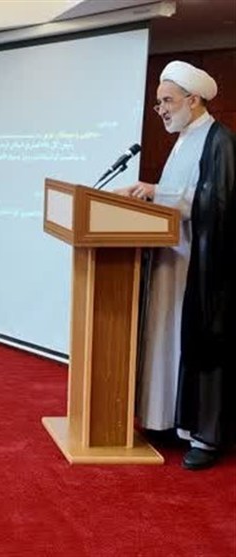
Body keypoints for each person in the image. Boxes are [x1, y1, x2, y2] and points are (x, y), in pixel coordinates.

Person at [118, 60, 235, 470]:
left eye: (167, 101)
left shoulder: (219, 141)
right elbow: (181, 194)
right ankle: (169, 419)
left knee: (196, 344)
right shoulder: (185, 139)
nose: (162, 110)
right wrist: (153, 195)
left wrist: (160, 193)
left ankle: (204, 435)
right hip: (172, 260)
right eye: (159, 104)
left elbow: (218, 204)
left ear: (194, 99)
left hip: (200, 268)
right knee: (167, 339)